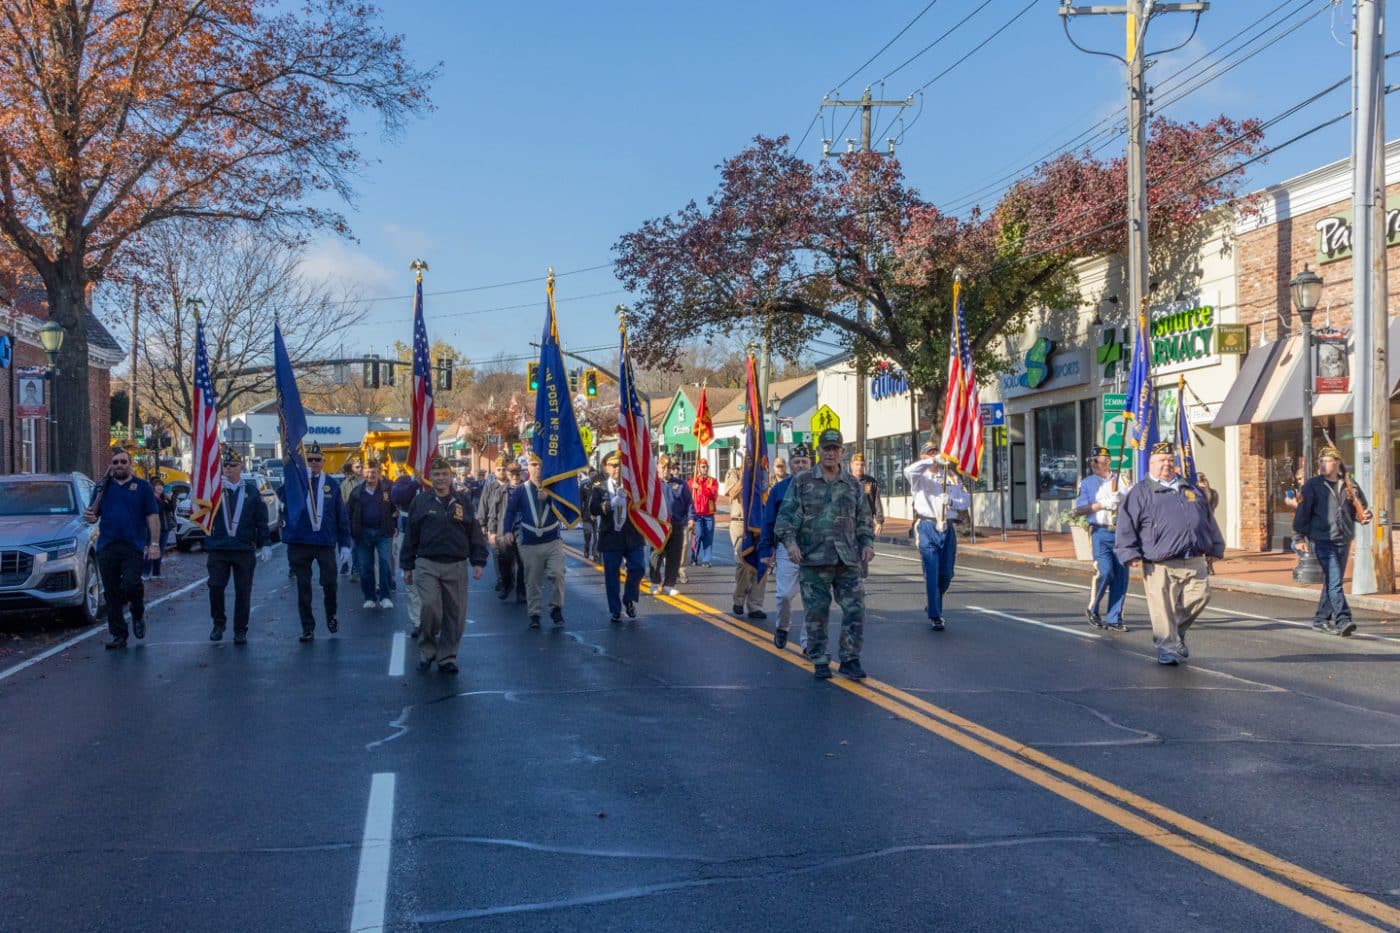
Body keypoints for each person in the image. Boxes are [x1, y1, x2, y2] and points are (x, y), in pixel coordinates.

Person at [774, 429, 874, 680]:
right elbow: (785, 518)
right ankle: (819, 658)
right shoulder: (803, 481)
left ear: (842, 452)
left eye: (835, 449)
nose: (830, 453)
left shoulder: (852, 484)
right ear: (818, 451)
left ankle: (850, 658)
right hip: (813, 559)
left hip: (847, 559)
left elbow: (864, 518)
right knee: (816, 614)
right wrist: (791, 545)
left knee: (855, 610)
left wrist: (867, 544)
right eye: (826, 448)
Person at [1115, 441, 1226, 665]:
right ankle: (1166, 648)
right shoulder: (1140, 492)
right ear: (1150, 464)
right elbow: (1125, 524)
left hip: (1192, 557)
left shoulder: (1190, 489)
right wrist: (1129, 552)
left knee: (1201, 596)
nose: (1166, 465)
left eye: (1169, 460)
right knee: (1162, 607)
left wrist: (1215, 547)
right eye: (1160, 461)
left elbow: (1207, 520)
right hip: (1159, 561)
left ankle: (1175, 633)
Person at [401, 457, 489, 674]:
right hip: (427, 563)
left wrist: (478, 561)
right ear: (430, 477)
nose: (441, 479)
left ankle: (447, 656)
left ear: (451, 477)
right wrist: (407, 566)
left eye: (444, 475)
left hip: (456, 564)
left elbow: (474, 532)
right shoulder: (420, 501)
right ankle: (427, 650)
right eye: (437, 475)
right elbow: (410, 535)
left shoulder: (463, 501)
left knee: (455, 614)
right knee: (431, 606)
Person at [83, 446, 162, 649]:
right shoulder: (103, 487)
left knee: (130, 584)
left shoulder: (142, 487)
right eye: (116, 462)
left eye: (123, 462)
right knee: (111, 592)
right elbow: (92, 514)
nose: (119, 465)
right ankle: (119, 634)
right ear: (111, 466)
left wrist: (154, 543)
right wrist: (90, 515)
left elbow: (152, 517)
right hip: (107, 545)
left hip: (132, 545)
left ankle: (138, 614)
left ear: (130, 464)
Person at [1293, 446, 1372, 637]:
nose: (1322, 464)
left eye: (1326, 460)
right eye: (1320, 461)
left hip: (1343, 539)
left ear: (1337, 463)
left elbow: (1360, 508)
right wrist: (1299, 537)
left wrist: (1365, 515)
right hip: (1322, 540)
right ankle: (1343, 619)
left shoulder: (1349, 484)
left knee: (1331, 582)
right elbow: (1303, 513)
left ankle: (1321, 620)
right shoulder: (1312, 485)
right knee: (1336, 581)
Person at [279, 441, 351, 642]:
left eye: (317, 460)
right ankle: (307, 627)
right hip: (300, 542)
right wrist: (295, 477)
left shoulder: (332, 485)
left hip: (324, 542)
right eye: (309, 460)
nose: (313, 463)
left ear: (323, 461)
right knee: (303, 588)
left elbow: (341, 516)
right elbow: (282, 497)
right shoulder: (297, 482)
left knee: (329, 583)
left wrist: (345, 544)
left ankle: (331, 615)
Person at [203, 449, 272, 644]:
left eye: (233, 465)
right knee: (215, 586)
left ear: (241, 467)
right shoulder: (215, 491)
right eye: (225, 465)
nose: (228, 469)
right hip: (219, 548)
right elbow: (201, 511)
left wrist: (265, 543)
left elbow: (261, 520)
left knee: (243, 591)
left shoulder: (250, 491)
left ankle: (240, 629)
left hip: (243, 549)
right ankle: (218, 623)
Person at [904, 440, 971, 631]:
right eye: (929, 453)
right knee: (932, 572)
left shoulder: (950, 476)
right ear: (923, 456)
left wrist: (951, 501)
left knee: (946, 574)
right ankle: (935, 615)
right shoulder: (919, 476)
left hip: (947, 527)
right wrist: (932, 460)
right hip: (927, 526)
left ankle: (934, 600)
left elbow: (965, 501)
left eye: (936, 453)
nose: (933, 456)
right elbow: (908, 471)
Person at [503, 453, 567, 628]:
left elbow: (565, 509)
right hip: (530, 541)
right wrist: (507, 530)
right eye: (534, 464)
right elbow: (510, 512)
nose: (538, 468)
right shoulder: (520, 490)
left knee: (557, 573)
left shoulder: (554, 488)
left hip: (552, 539)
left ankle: (556, 608)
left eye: (541, 465)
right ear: (528, 468)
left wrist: (549, 499)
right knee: (533, 580)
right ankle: (535, 614)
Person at [1073, 446, 1131, 633]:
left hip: (1121, 532)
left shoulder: (1121, 479)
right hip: (1101, 532)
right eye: (1092, 461)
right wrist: (1102, 505)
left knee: (1121, 577)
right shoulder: (1088, 483)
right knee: (1104, 571)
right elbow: (1079, 509)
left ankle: (1115, 618)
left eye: (1096, 460)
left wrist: (1123, 497)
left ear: (1107, 462)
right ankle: (1093, 607)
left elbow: (1134, 501)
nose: (1093, 464)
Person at [761, 444, 812, 648]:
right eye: (797, 462)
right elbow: (768, 521)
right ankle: (782, 627)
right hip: (786, 548)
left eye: (804, 462)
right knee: (784, 594)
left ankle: (808, 644)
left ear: (810, 463)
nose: (801, 465)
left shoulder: (821, 486)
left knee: (812, 598)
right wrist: (766, 549)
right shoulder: (780, 489)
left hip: (814, 549)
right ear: (790, 464)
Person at [592, 452, 646, 622]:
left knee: (638, 567)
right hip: (611, 537)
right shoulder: (599, 487)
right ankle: (615, 609)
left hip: (632, 534)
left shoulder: (633, 486)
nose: (616, 468)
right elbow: (593, 509)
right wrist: (609, 504)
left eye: (619, 465)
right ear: (606, 467)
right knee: (612, 574)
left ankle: (629, 599)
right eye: (613, 465)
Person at [349, 459, 397, 610]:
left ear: (379, 473)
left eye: (374, 472)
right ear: (364, 473)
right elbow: (349, 513)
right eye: (368, 472)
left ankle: (385, 596)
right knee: (365, 566)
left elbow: (395, 509)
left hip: (383, 533)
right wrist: (352, 530)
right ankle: (369, 597)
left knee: (385, 563)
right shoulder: (356, 492)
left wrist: (394, 525)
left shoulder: (387, 490)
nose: (371, 475)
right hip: (363, 534)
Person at [725, 459, 766, 620]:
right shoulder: (734, 472)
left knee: (761, 562)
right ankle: (739, 598)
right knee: (743, 562)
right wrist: (745, 477)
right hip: (739, 523)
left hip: (758, 523)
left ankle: (755, 605)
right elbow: (731, 493)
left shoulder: (762, 473)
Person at [649, 456, 692, 596]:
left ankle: (669, 584)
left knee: (674, 556)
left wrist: (691, 518)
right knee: (657, 554)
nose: (666, 470)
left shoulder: (680, 484)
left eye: (668, 468)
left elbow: (689, 503)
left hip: (677, 524)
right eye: (663, 467)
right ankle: (655, 582)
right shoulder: (653, 484)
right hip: (659, 525)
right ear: (658, 468)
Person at [390, 472, 422, 634]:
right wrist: (415, 483)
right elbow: (397, 496)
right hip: (407, 534)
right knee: (411, 580)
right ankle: (417, 621)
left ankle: (433, 619)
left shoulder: (437, 480)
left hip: (432, 537)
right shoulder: (404, 481)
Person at [851, 452, 885, 577]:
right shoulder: (845, 481)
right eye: (857, 464)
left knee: (864, 550)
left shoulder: (870, 483)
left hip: (866, 523)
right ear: (851, 465)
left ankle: (861, 577)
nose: (859, 467)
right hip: (849, 522)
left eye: (862, 465)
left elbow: (876, 501)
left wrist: (879, 521)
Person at [142, 476, 176, 579]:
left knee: (160, 551)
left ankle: (156, 572)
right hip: (153, 528)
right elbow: (156, 510)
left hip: (164, 528)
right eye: (157, 486)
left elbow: (171, 509)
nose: (160, 488)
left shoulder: (164, 498)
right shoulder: (151, 498)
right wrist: (163, 502)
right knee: (151, 549)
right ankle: (145, 572)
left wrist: (170, 500)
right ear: (154, 488)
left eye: (161, 486)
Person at [688, 459, 718, 566]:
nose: (705, 469)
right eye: (703, 466)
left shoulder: (712, 481)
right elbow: (687, 496)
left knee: (708, 538)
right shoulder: (692, 481)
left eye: (706, 467)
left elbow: (711, 494)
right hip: (697, 514)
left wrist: (699, 487)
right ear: (698, 468)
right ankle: (694, 556)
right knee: (698, 535)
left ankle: (706, 560)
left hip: (709, 514)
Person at [578, 466, 599, 562]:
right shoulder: (584, 485)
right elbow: (580, 501)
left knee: (597, 536)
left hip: (598, 515)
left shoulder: (601, 485)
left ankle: (596, 554)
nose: (594, 476)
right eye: (592, 474)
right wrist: (580, 514)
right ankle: (586, 549)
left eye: (595, 474)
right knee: (588, 535)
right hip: (587, 515)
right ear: (589, 475)